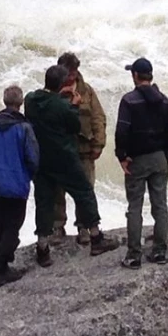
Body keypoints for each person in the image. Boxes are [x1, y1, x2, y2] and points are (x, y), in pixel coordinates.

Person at [24, 64, 119, 267]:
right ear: (61, 84)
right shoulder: (63, 106)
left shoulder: (31, 100)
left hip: (42, 160)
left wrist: (59, 95)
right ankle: (95, 237)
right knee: (84, 192)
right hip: (64, 158)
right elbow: (74, 126)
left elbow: (44, 102)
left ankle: (42, 248)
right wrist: (74, 105)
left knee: (44, 202)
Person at [114, 57, 168, 269]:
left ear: (135, 76)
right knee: (160, 205)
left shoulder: (129, 100)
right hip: (159, 157)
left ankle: (133, 255)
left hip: (137, 159)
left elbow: (122, 131)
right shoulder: (165, 101)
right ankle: (159, 251)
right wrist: (165, 156)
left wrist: (121, 156)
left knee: (135, 206)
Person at [0, 85, 40, 287]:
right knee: (13, 224)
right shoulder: (24, 128)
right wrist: (26, 175)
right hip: (16, 183)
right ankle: (1, 268)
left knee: (1, 220)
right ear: (20, 104)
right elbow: (33, 158)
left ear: (5, 102)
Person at [51, 52, 106, 246]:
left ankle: (83, 226)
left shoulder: (87, 91)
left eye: (74, 73)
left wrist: (98, 143)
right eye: (68, 73)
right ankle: (57, 226)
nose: (71, 77)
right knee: (57, 191)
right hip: (59, 151)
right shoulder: (51, 91)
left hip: (83, 150)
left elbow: (98, 117)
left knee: (85, 190)